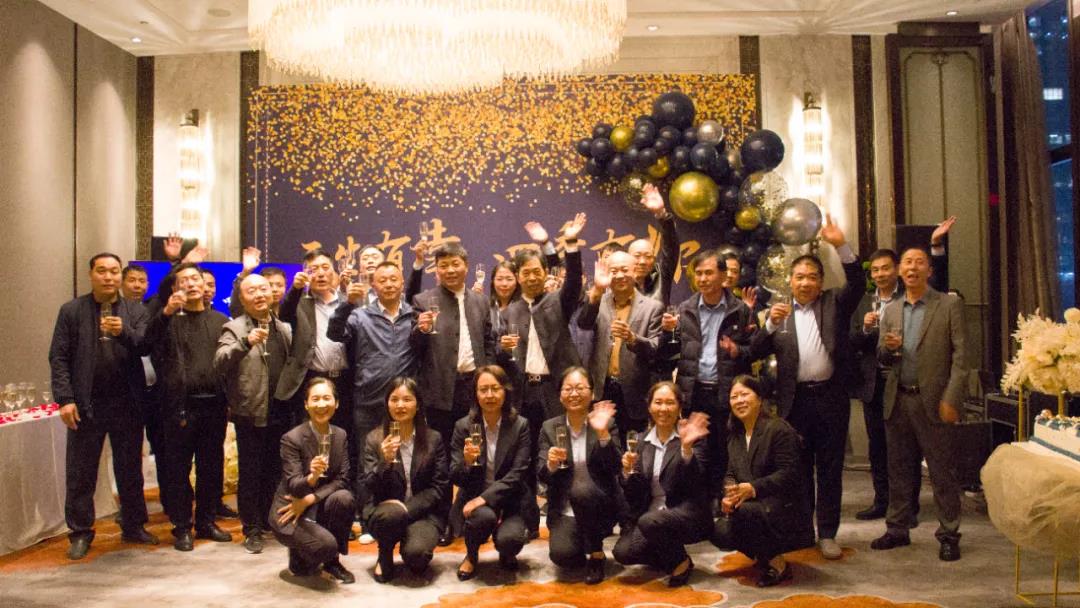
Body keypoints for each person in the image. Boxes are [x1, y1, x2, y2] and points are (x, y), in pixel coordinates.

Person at [750, 214, 862, 560]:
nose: (806, 282)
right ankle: (801, 531)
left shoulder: (834, 303)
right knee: (796, 471)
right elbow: (753, 350)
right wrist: (769, 325)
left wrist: (841, 245)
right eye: (800, 277)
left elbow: (858, 283)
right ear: (790, 280)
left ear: (821, 281)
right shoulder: (779, 314)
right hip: (794, 403)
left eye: (813, 277)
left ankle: (827, 533)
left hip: (830, 398)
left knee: (829, 469)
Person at [48, 253, 157, 560]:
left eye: (113, 271)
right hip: (87, 403)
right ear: (91, 274)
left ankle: (133, 524)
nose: (108, 277)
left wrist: (123, 332)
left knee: (130, 469)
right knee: (81, 472)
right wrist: (65, 399)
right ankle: (81, 531)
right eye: (102, 271)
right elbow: (58, 357)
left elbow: (146, 345)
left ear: (120, 276)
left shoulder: (135, 310)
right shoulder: (71, 311)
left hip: (128, 402)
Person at [848, 218, 953, 521]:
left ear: (896, 270)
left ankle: (910, 505)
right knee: (879, 447)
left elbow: (940, 280)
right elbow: (852, 340)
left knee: (911, 447)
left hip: (906, 380)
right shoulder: (864, 302)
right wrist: (866, 329)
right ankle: (882, 501)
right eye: (875, 270)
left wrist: (936, 245)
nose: (880, 274)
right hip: (874, 384)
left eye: (885, 268)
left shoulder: (910, 294)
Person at [871, 247, 967, 561]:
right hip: (898, 399)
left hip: (936, 401)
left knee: (942, 472)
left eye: (919, 262)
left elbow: (961, 358)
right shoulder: (891, 309)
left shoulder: (948, 304)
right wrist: (888, 349)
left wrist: (952, 397)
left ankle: (949, 534)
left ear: (929, 270)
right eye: (907, 262)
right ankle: (897, 529)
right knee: (898, 470)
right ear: (900, 271)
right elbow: (882, 358)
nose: (912, 268)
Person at [500, 213, 587, 535]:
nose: (532, 277)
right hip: (525, 391)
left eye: (537, 271)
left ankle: (562, 513)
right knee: (525, 455)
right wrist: (502, 348)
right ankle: (527, 521)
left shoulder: (557, 301)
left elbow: (573, 280)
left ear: (544, 273)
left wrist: (566, 243)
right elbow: (502, 357)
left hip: (557, 389)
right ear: (517, 276)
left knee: (561, 449)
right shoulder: (509, 311)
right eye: (526, 272)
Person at [144, 262, 232, 551]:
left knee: (211, 466)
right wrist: (167, 312)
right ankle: (181, 526)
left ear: (205, 285)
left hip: (214, 405)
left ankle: (206, 521)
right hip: (178, 406)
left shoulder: (220, 320)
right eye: (185, 280)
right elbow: (144, 344)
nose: (192, 284)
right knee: (177, 469)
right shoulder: (166, 319)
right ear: (174, 287)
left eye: (196, 279)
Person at [329, 261, 418, 534]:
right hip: (368, 400)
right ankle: (367, 518)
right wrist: (347, 304)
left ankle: (404, 512)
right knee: (367, 462)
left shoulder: (414, 315)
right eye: (383, 280)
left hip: (403, 403)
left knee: (403, 458)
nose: (389, 284)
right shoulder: (360, 315)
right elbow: (334, 333)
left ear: (402, 283)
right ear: (373, 285)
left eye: (394, 279)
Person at [658, 248, 756, 496]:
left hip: (726, 392)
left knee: (725, 450)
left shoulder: (740, 310)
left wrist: (737, 350)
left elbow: (753, 351)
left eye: (708, 273)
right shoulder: (685, 309)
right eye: (699, 273)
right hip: (694, 391)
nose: (702, 279)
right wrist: (667, 332)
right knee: (696, 448)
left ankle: (722, 501)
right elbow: (668, 351)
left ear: (723, 276)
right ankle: (698, 503)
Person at [215, 273, 294, 554]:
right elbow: (220, 361)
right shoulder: (234, 328)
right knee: (250, 473)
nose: (260, 295)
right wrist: (245, 342)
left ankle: (268, 520)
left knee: (275, 470)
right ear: (242, 298)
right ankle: (251, 529)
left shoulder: (283, 327)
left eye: (264, 289)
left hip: (281, 410)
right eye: (252, 291)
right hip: (251, 411)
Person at [711, 375, 813, 587]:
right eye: (734, 397)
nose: (739, 401)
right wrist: (729, 493)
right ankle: (764, 553)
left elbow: (791, 473)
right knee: (718, 531)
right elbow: (730, 473)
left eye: (744, 394)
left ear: (759, 398)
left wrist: (753, 488)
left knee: (745, 512)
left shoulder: (778, 429)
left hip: (785, 507)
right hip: (752, 506)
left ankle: (777, 564)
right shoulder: (735, 435)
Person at [613, 382, 710, 587]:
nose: (663, 408)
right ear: (649, 407)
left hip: (684, 512)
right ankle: (669, 554)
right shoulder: (640, 441)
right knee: (623, 553)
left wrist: (686, 449)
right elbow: (634, 494)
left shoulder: (692, 437)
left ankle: (680, 563)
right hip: (649, 514)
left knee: (651, 522)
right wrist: (627, 472)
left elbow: (697, 483)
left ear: (679, 407)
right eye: (658, 402)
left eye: (670, 403)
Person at [538, 367, 622, 584]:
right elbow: (541, 474)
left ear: (592, 393)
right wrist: (551, 464)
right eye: (568, 389)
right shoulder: (549, 427)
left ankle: (596, 553)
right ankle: (583, 540)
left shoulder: (606, 423)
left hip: (599, 504)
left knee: (582, 491)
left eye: (580, 388)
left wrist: (603, 434)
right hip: (565, 507)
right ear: (560, 395)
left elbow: (616, 467)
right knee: (562, 556)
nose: (574, 394)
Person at [361, 378, 448, 582]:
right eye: (394, 400)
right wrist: (384, 461)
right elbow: (369, 486)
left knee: (417, 558)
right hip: (385, 514)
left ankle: (409, 541)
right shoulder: (374, 439)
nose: (400, 405)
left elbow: (439, 487)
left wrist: (406, 510)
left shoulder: (433, 439)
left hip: (423, 514)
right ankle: (384, 553)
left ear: (417, 405)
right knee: (391, 515)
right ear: (387, 404)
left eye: (407, 399)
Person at [269, 378, 356, 583]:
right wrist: (312, 477)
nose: (321, 404)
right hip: (290, 510)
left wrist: (310, 499)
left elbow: (343, 479)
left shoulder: (340, 435)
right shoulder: (292, 438)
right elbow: (294, 485)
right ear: (306, 404)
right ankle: (299, 553)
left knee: (344, 498)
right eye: (315, 399)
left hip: (312, 503)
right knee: (324, 547)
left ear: (336, 403)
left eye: (327, 398)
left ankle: (333, 563)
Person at [451, 365, 533, 580]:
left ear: (505, 391)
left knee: (511, 539)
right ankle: (471, 555)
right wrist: (467, 462)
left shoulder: (520, 425)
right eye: (483, 389)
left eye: (495, 389)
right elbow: (455, 476)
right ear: (475, 394)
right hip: (474, 499)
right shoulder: (463, 426)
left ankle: (506, 551)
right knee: (482, 517)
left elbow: (518, 473)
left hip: (510, 498)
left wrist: (484, 498)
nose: (489, 395)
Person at [577, 251, 662, 438]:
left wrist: (632, 338)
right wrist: (597, 290)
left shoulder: (652, 307)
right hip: (602, 387)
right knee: (601, 441)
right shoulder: (599, 300)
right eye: (614, 271)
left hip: (635, 391)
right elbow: (583, 323)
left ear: (635, 272)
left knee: (632, 445)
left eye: (625, 270)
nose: (620, 275)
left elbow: (656, 348)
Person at [629, 184, 679, 305]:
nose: (642, 261)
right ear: (627, 258)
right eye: (637, 256)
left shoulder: (661, 276)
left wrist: (661, 214)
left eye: (648, 256)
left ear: (654, 259)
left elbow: (671, 248)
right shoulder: (617, 281)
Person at [228, 247, 287, 318]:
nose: (275, 289)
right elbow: (236, 305)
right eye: (269, 285)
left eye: (279, 285)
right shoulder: (250, 312)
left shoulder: (291, 311)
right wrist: (246, 272)